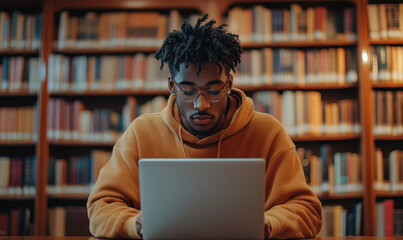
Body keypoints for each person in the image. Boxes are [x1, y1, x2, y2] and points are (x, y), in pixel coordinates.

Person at [87, 14, 322, 239]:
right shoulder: (141, 133)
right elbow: (100, 208)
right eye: (188, 91)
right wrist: (133, 223)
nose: (202, 104)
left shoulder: (268, 133)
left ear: (229, 83)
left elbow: (307, 211)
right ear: (172, 85)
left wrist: (270, 223)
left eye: (213, 90)